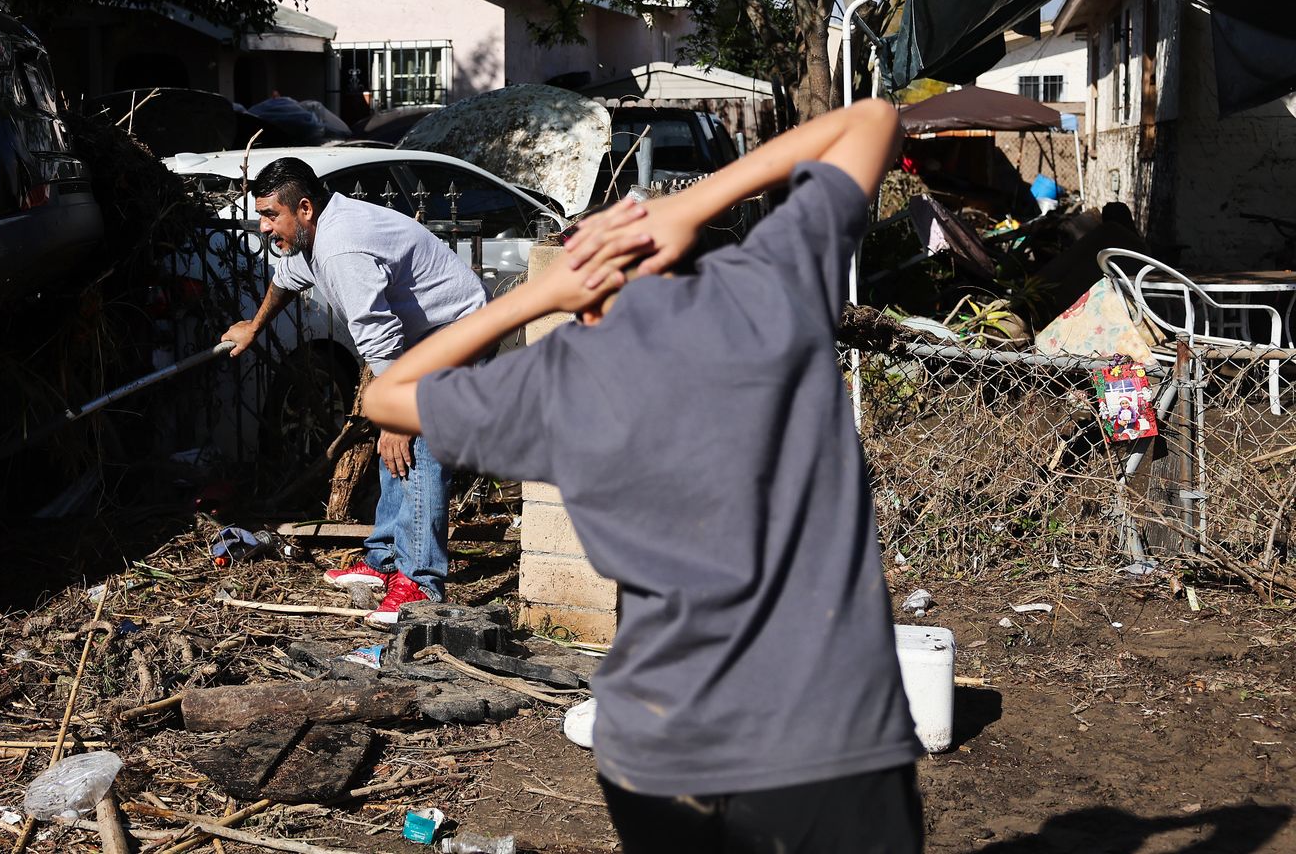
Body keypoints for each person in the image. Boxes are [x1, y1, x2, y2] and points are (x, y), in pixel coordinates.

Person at [362, 100, 923, 853]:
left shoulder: (558, 382)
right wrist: (689, 203)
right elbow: (874, 120)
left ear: (589, 291)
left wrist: (539, 295)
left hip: (658, 749)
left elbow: (385, 395)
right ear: (677, 251)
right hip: (828, 734)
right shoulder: (769, 290)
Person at [221, 157, 486, 624]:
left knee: (418, 443)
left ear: (304, 208)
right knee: (392, 443)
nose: (263, 227)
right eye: (260, 215)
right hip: (423, 340)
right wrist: (254, 326)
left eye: (270, 215)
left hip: (461, 334)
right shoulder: (314, 234)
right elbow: (286, 281)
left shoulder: (342, 247)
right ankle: (385, 559)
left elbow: (379, 336)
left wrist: (400, 415)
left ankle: (421, 584)